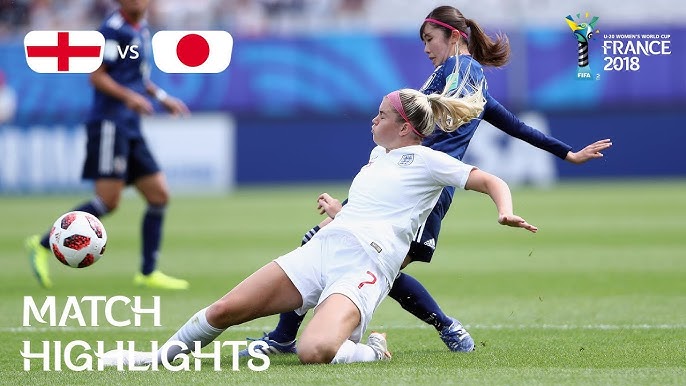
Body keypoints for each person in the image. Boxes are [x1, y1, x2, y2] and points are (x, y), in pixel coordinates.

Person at [242, 5, 613, 355]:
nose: (425, 48)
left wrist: (568, 153)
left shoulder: (462, 72)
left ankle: (443, 325)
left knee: (358, 259)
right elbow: (515, 126)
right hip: (397, 181)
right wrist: (567, 153)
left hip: (420, 189)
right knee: (335, 250)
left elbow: (437, 132)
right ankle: (286, 335)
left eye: (429, 38)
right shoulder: (459, 79)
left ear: (453, 36)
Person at [102, 85, 538, 366]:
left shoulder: (429, 160)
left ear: (404, 127)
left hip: (365, 268)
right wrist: (339, 213)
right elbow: (375, 207)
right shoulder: (376, 158)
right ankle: (156, 358)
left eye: (382, 114)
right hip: (325, 248)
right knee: (223, 311)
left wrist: (504, 208)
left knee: (314, 351)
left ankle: (373, 350)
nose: (374, 118)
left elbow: (489, 179)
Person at [25, 0, 190, 290]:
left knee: (159, 195)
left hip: (130, 125)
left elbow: (139, 76)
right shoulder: (111, 31)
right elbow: (96, 76)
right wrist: (129, 97)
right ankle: (40, 244)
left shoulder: (141, 29)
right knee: (107, 201)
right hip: (109, 123)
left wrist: (162, 97)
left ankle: (148, 272)